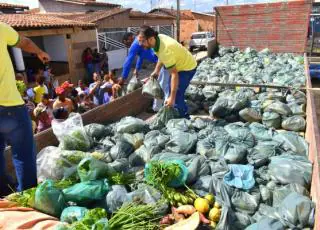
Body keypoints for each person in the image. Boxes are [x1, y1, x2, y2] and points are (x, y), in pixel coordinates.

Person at [0, 22, 50, 196]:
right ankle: (28, 198)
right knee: (23, 155)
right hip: (10, 108)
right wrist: (39, 52)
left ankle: (4, 196)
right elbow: (25, 42)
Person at [137, 26, 197, 118]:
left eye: (143, 41)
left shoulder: (165, 49)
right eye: (139, 41)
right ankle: (178, 111)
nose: (140, 44)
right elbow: (161, 56)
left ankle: (184, 118)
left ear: (151, 38)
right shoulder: (157, 40)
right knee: (171, 90)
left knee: (176, 94)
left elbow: (174, 74)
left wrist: (171, 99)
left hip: (187, 68)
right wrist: (156, 71)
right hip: (179, 63)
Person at [120, 32, 170, 112]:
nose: (127, 46)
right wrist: (137, 68)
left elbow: (128, 62)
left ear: (129, 38)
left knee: (162, 85)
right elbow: (141, 56)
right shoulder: (139, 43)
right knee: (163, 84)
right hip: (161, 63)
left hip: (164, 62)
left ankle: (164, 108)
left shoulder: (135, 44)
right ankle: (159, 107)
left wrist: (123, 79)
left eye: (126, 43)